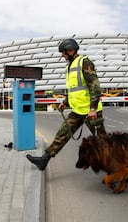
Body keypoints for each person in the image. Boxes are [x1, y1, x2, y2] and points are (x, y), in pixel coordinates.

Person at [26, 38, 106, 170]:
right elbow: (74, 89)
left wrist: (92, 109)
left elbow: (95, 88)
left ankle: (114, 169)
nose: (62, 56)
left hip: (91, 111)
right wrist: (65, 102)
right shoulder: (70, 66)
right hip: (77, 110)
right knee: (62, 134)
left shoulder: (84, 63)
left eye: (63, 53)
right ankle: (44, 160)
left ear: (70, 50)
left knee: (103, 142)